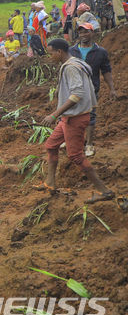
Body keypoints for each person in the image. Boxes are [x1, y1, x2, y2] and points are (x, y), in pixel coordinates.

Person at [34, 38, 115, 203]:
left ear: (59, 52)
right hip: (68, 117)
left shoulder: (71, 68)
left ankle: (104, 191)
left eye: (51, 53)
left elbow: (77, 94)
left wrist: (54, 114)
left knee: (76, 156)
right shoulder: (76, 62)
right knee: (51, 146)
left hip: (75, 118)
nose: (50, 57)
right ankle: (50, 182)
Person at [69, 22, 117, 157]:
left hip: (92, 89)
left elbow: (106, 71)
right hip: (74, 88)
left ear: (93, 33)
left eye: (86, 32)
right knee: (72, 114)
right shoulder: (72, 51)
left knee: (90, 116)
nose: (83, 35)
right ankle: (73, 140)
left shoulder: (100, 52)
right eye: (81, 32)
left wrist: (111, 88)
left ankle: (89, 144)